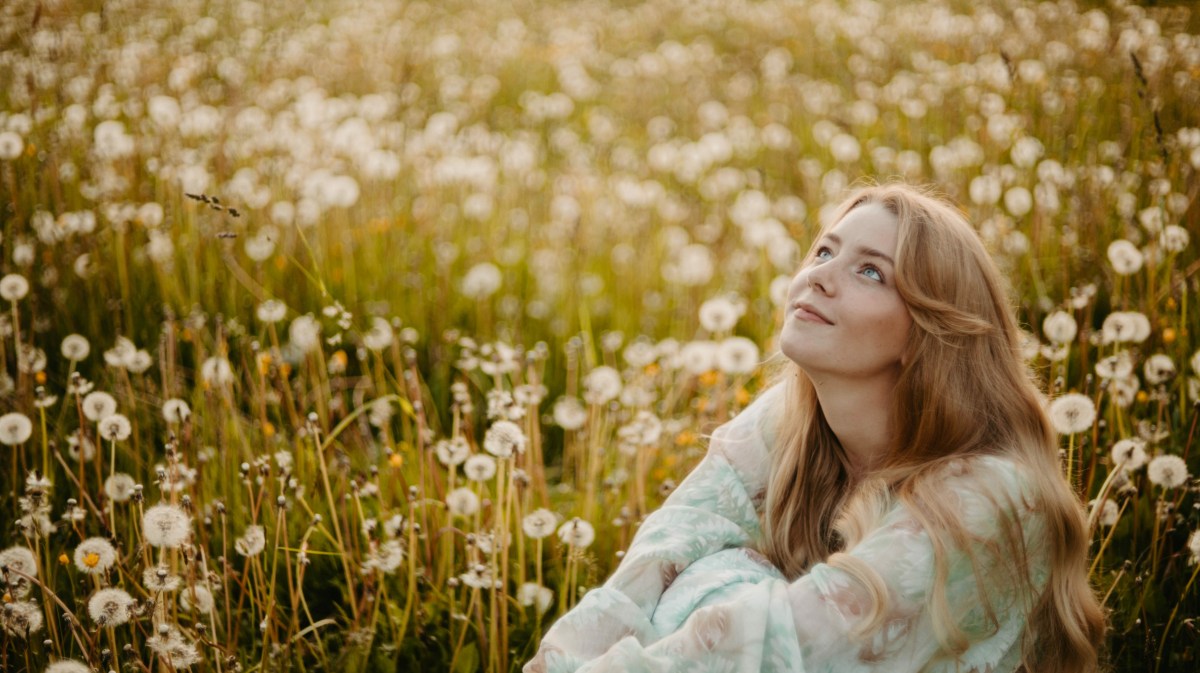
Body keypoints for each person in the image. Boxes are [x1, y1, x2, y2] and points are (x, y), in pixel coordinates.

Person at [525, 183, 1106, 673]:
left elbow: (788, 648)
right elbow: (658, 558)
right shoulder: (787, 423)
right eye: (825, 252)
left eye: (871, 272)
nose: (821, 277)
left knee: (726, 586)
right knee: (714, 570)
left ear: (927, 334)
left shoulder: (993, 497)